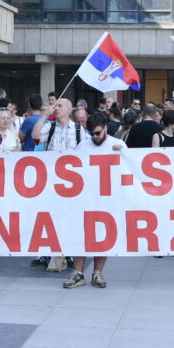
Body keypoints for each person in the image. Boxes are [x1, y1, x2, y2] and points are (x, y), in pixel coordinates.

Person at [64, 112, 124, 289]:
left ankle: (98, 273)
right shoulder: (83, 145)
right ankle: (78, 273)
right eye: (92, 134)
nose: (95, 137)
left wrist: (121, 156)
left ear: (105, 128)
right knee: (80, 234)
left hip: (107, 199)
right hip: (85, 198)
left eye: (98, 133)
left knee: (102, 236)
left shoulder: (118, 145)